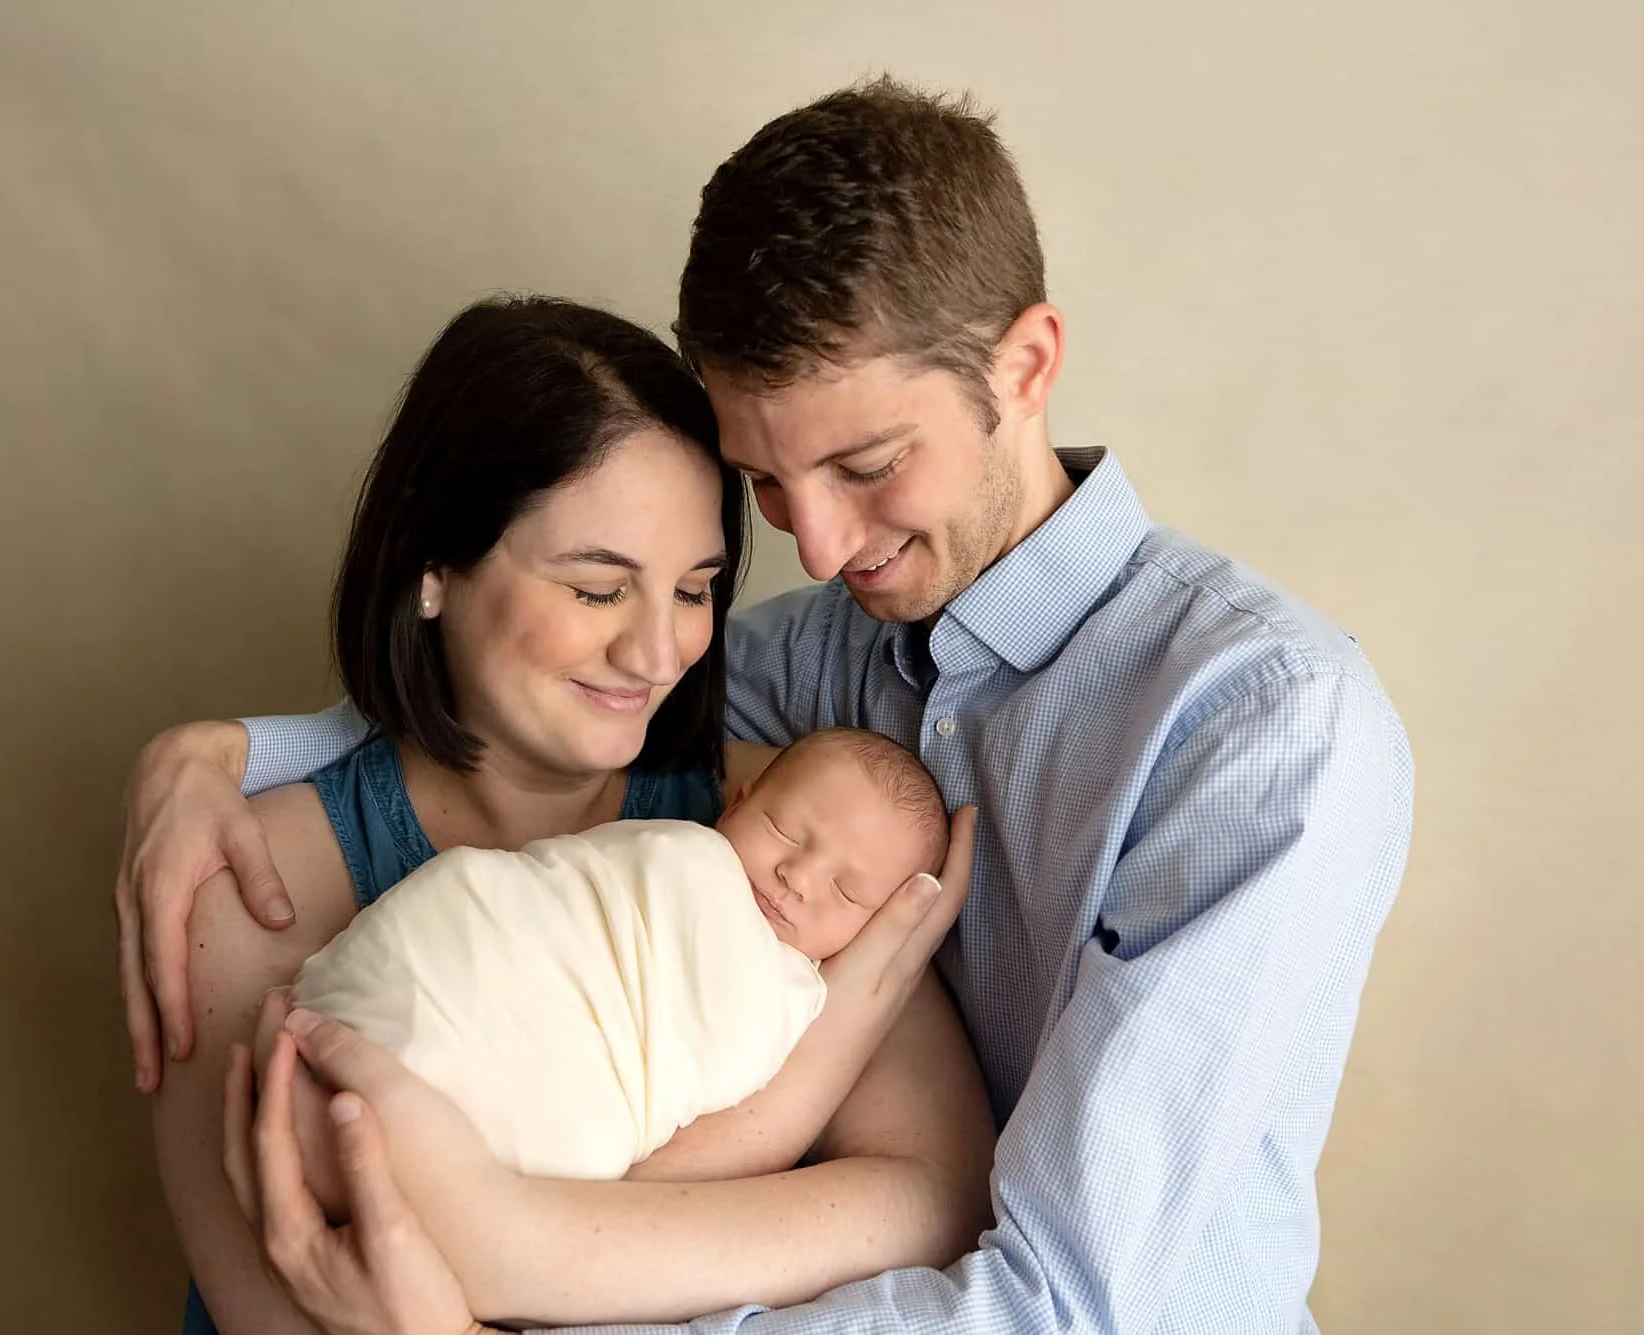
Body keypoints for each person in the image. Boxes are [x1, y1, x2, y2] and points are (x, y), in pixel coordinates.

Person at [121, 77, 1415, 1333]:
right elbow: (534, 708)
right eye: (769, 485)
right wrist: (217, 753)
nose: (819, 544)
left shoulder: (1257, 723)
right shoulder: (798, 665)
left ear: (1026, 365)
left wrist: (497, 1261)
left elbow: (1059, 1300)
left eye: (866, 464)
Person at [146, 292, 992, 1334]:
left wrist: (499, 1251)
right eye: (597, 590)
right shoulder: (252, 876)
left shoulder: (786, 819)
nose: (657, 654)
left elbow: (932, 1198)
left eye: (694, 591)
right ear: (432, 568)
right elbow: (271, 1308)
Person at [269, 726, 949, 1215]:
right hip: (481, 942)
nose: (796, 876)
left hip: (558, 1081)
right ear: (736, 804)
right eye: (787, 830)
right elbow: (560, 887)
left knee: (550, 1122)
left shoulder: (795, 994)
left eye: (847, 891)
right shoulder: (679, 850)